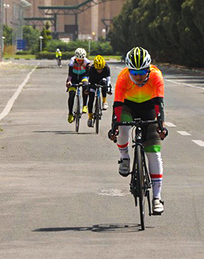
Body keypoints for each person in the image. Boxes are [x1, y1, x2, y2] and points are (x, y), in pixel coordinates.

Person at [107, 46, 168, 215]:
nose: (139, 76)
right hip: (128, 106)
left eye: (143, 72)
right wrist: (114, 128)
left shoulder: (156, 76)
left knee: (154, 152)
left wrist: (161, 126)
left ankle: (157, 198)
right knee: (123, 126)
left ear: (149, 68)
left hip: (149, 106)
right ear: (129, 71)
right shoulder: (123, 77)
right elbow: (117, 105)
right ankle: (124, 157)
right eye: (135, 73)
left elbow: (159, 105)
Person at [65, 48, 92, 123]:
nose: (79, 62)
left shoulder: (87, 62)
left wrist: (87, 82)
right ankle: (70, 113)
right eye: (78, 60)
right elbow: (70, 74)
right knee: (71, 94)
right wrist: (69, 81)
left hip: (83, 76)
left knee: (85, 85)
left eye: (81, 60)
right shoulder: (72, 61)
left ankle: (84, 105)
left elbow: (88, 74)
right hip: (73, 77)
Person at [85, 55, 111, 127]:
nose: (99, 71)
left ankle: (104, 102)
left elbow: (108, 79)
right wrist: (87, 87)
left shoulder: (106, 68)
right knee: (91, 99)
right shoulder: (92, 69)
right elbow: (88, 79)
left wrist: (109, 88)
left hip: (102, 81)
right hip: (93, 82)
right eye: (97, 69)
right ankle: (90, 117)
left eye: (101, 69)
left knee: (104, 83)